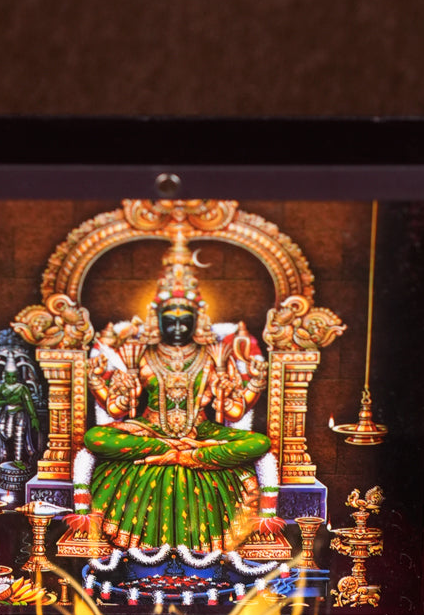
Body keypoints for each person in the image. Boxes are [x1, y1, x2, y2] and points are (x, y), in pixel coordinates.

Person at [67, 234, 282, 553]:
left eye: (185, 320)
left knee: (259, 443)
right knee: (95, 438)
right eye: (171, 320)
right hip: (149, 430)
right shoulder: (140, 353)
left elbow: (234, 412)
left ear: (198, 320)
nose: (178, 327)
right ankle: (170, 450)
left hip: (200, 433)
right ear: (157, 319)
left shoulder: (212, 355)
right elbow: (116, 408)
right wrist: (121, 380)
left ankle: (188, 457)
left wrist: (248, 384)